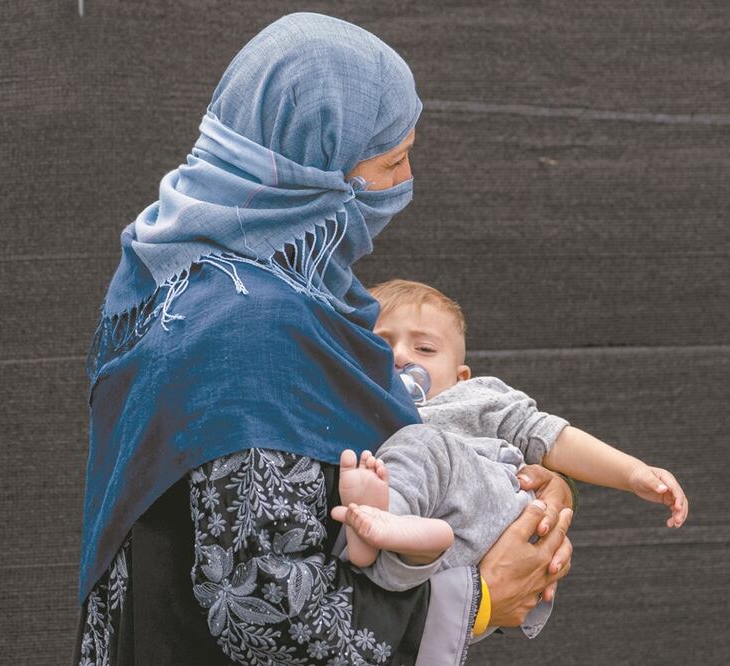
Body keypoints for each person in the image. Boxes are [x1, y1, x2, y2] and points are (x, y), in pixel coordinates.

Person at [75, 13, 574, 666]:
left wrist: (510, 487)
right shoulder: (252, 330)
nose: (404, 183)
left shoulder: (170, 272)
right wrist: (478, 598)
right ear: (311, 167)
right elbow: (267, 612)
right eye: (390, 161)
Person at [331, 279, 688, 639]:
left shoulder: (474, 398)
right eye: (380, 345)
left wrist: (631, 472)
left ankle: (378, 523)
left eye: (424, 348)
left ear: (461, 376)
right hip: (438, 567)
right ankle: (396, 542)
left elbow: (552, 436)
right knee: (371, 491)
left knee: (419, 443)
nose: (400, 357)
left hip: (490, 511)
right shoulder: (358, 409)